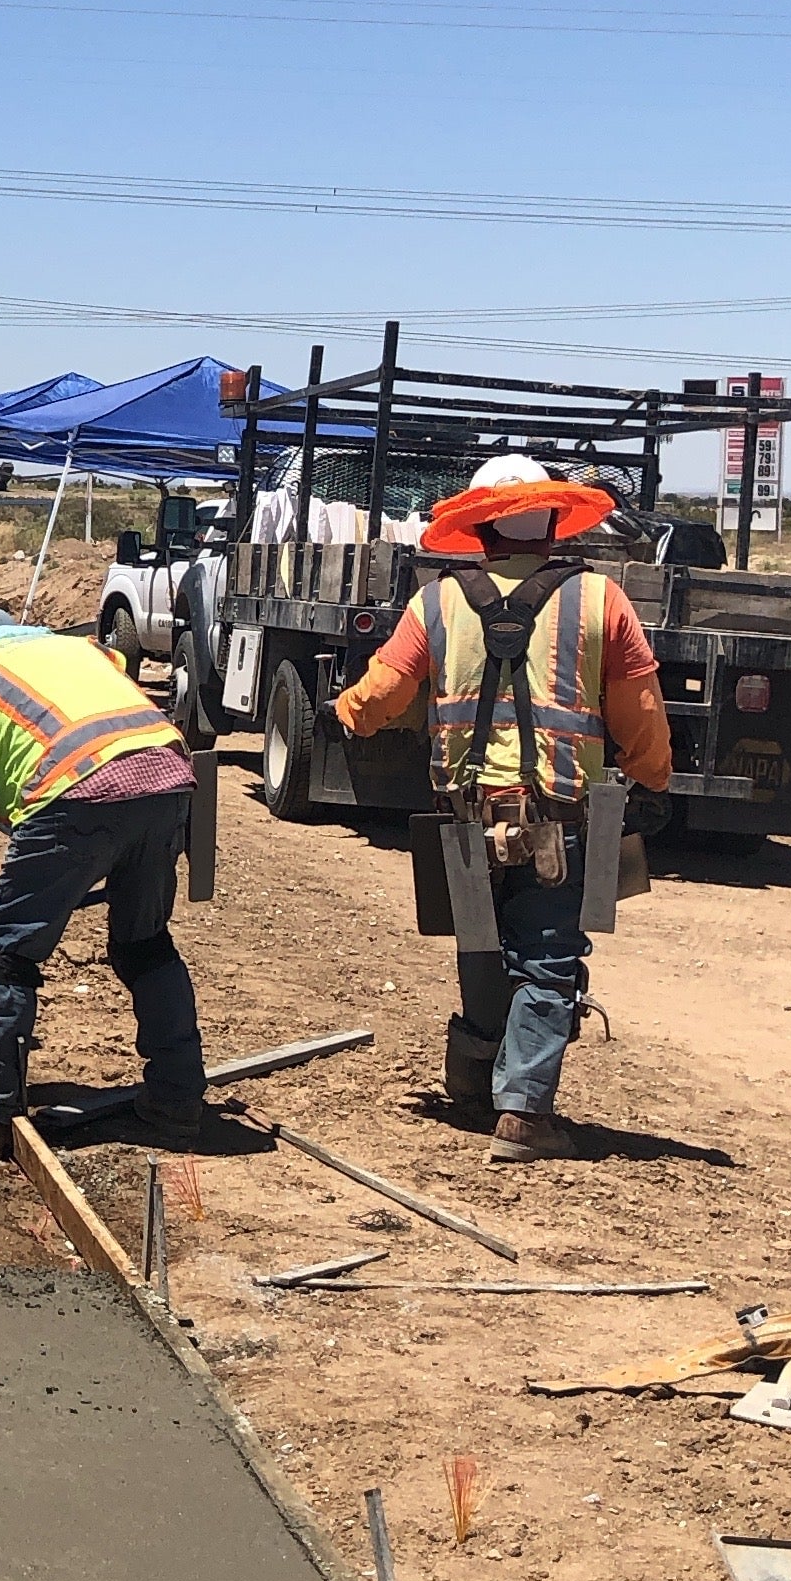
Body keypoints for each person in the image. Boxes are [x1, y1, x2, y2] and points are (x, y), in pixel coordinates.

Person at [330, 453, 674, 1157]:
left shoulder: (437, 602)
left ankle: (473, 1085)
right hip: (558, 821)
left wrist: (347, 712)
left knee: (481, 947)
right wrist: (654, 781)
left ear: (481, 526)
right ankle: (522, 1115)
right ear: (553, 520)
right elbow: (641, 715)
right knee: (546, 958)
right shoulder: (600, 600)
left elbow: (381, 697)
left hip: (465, 819)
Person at [0, 613, 202, 1164]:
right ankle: (177, 1099)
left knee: (8, 957)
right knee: (146, 944)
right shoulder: (78, 652)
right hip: (169, 779)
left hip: (73, 793)